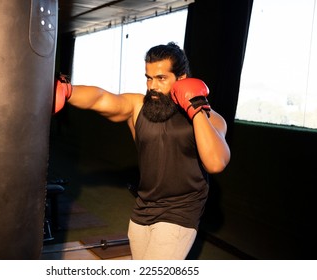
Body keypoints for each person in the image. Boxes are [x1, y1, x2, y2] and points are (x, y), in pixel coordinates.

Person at [54, 42, 231, 260]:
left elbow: (216, 162)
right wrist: (67, 90)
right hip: (143, 208)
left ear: (182, 79)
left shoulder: (210, 118)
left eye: (161, 78)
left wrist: (196, 109)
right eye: (149, 77)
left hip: (180, 212)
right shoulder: (138, 106)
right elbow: (102, 98)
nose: (152, 86)